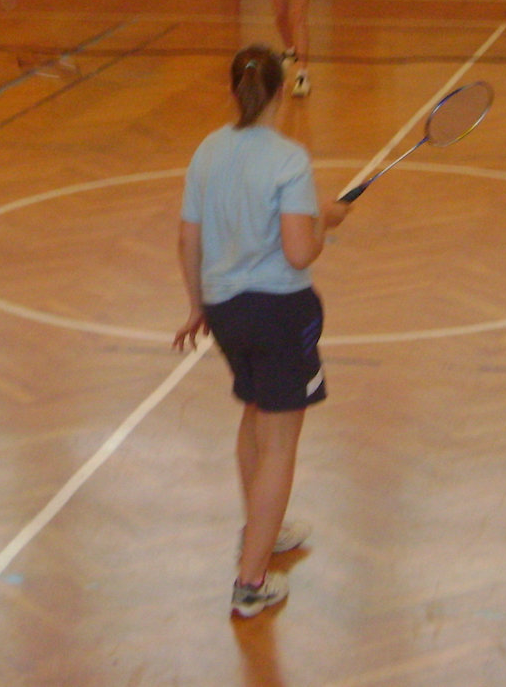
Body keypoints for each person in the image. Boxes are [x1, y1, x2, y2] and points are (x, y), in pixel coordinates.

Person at [174, 44, 351, 617]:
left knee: (255, 415)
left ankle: (262, 530)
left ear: (235, 92)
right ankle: (251, 583)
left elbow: (188, 239)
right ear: (280, 93)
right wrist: (324, 221)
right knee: (279, 442)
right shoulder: (288, 158)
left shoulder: (207, 150)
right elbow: (299, 252)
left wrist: (197, 307)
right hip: (279, 312)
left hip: (224, 311)